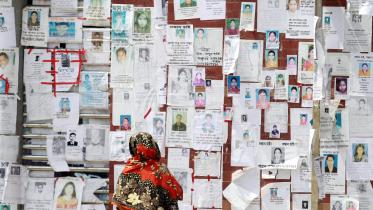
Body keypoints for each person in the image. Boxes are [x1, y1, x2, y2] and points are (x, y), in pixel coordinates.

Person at [112, 132, 183, 210]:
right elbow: (172, 198)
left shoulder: (127, 170)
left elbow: (120, 203)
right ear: (153, 146)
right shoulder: (161, 170)